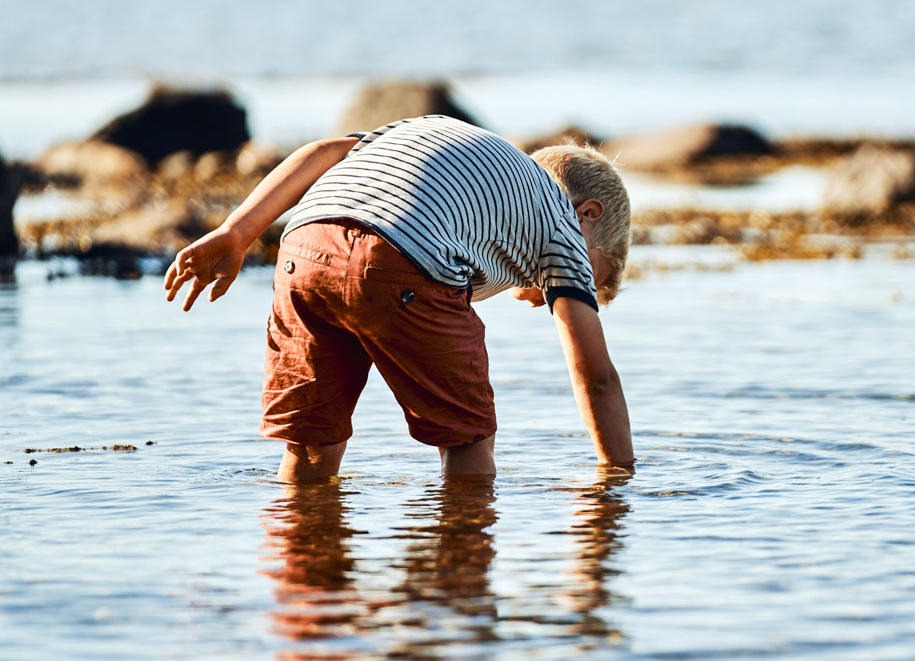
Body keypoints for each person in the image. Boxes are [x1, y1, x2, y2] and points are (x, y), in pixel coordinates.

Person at [163, 115, 633, 483]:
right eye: (594, 279)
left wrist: (237, 232)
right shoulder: (561, 225)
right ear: (588, 215)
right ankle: (457, 588)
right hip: (402, 259)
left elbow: (322, 152)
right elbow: (596, 379)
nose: (565, 291)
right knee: (469, 439)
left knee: (310, 443)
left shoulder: (448, 144)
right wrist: (619, 480)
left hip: (304, 246)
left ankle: (307, 589)